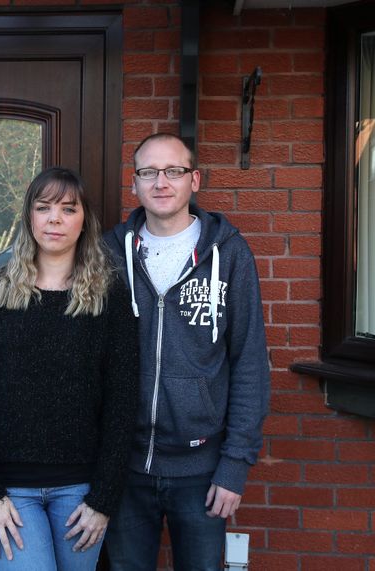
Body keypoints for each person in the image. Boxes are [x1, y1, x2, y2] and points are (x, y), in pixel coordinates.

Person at [0, 166, 139, 571]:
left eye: (68, 209)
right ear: (29, 217)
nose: (55, 218)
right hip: (10, 492)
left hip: (81, 492)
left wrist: (102, 500)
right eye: (44, 207)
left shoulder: (110, 298)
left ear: (83, 220)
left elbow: (122, 403)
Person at [103, 133, 270, 571]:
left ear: (194, 180)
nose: (161, 182)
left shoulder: (229, 253)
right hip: (123, 466)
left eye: (174, 171)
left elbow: (249, 363)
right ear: (133, 183)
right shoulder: (109, 255)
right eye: (148, 172)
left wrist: (234, 466)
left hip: (202, 471)